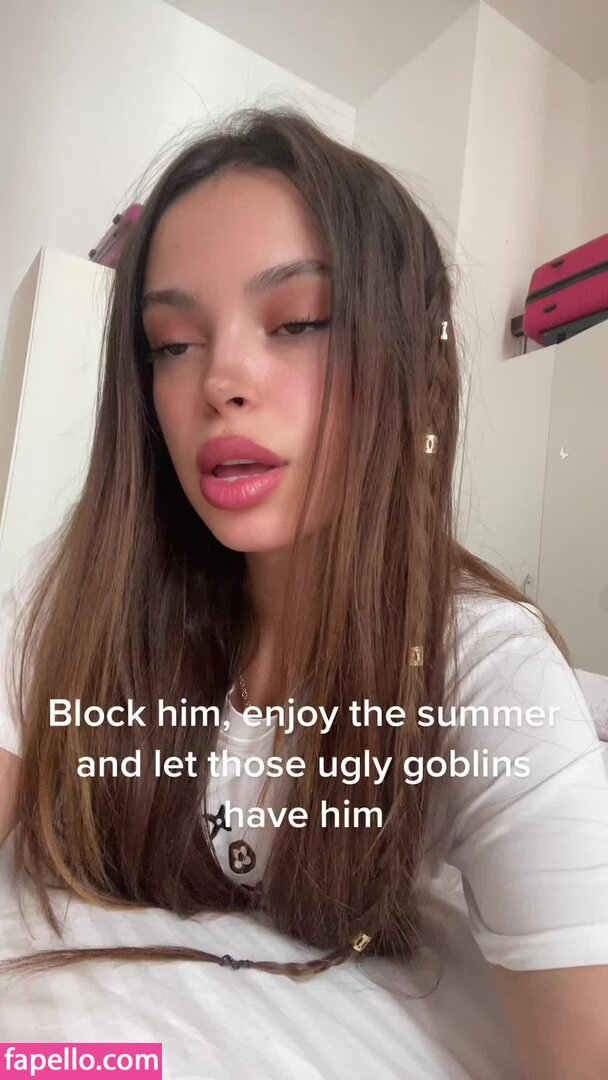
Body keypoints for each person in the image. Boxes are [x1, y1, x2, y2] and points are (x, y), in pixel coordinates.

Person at [0, 107, 607, 1077]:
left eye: (297, 324)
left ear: (410, 363)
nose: (221, 380)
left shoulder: (486, 671)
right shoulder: (80, 594)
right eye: (171, 343)